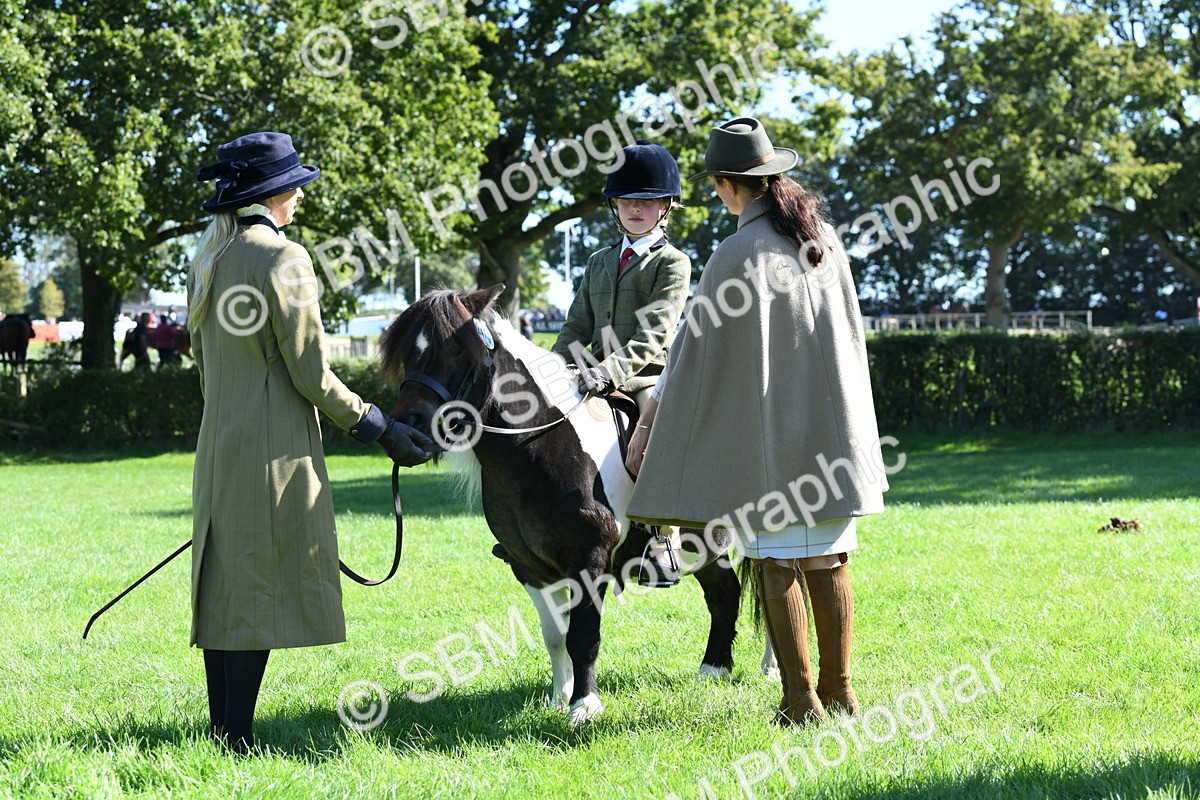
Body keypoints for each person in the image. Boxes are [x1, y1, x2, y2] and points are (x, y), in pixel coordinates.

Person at [624, 118, 887, 726]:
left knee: (775, 560)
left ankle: (800, 702)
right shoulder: (823, 239)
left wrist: (651, 420)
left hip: (772, 443)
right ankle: (841, 693)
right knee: (829, 557)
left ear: (726, 184)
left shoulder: (736, 252)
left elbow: (693, 354)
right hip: (834, 438)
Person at [187, 131, 435, 753]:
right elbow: (312, 373)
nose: (299, 195)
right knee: (256, 589)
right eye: (293, 185)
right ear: (270, 193)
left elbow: (207, 367)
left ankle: (222, 733)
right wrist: (379, 428)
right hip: (273, 452)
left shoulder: (209, 257)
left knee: (226, 587)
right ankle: (235, 741)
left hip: (217, 447)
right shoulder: (283, 257)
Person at [546, 138, 692, 585]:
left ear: (665, 206)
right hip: (589, 376)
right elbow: (576, 326)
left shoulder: (673, 263)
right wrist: (551, 371)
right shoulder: (598, 262)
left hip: (647, 379)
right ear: (614, 206)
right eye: (627, 200)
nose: (635, 208)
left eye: (646, 201)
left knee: (655, 442)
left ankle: (662, 538)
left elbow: (655, 335)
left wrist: (608, 372)